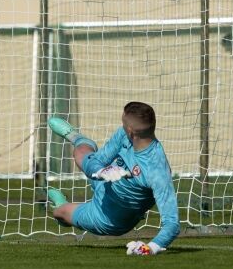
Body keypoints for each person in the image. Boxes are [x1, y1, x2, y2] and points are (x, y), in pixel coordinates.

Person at [46, 101, 180, 256]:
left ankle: (62, 206)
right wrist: (101, 170)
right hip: (106, 177)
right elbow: (99, 159)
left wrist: (149, 249)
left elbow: (172, 224)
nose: (121, 127)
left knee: (59, 212)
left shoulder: (157, 171)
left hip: (108, 217)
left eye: (123, 124)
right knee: (80, 153)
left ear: (131, 131)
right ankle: (77, 138)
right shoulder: (124, 135)